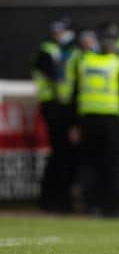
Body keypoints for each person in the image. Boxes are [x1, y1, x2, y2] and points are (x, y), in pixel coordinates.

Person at [69, 25, 119, 217]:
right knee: (112, 164)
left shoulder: (84, 62)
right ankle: (111, 206)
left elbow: (76, 94)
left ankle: (91, 205)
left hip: (87, 120)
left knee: (90, 164)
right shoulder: (118, 64)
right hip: (110, 121)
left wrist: (74, 124)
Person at [34, 19, 73, 212]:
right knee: (59, 154)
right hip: (53, 108)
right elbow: (56, 77)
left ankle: (59, 199)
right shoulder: (48, 51)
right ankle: (52, 199)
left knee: (63, 155)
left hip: (62, 108)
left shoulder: (66, 51)